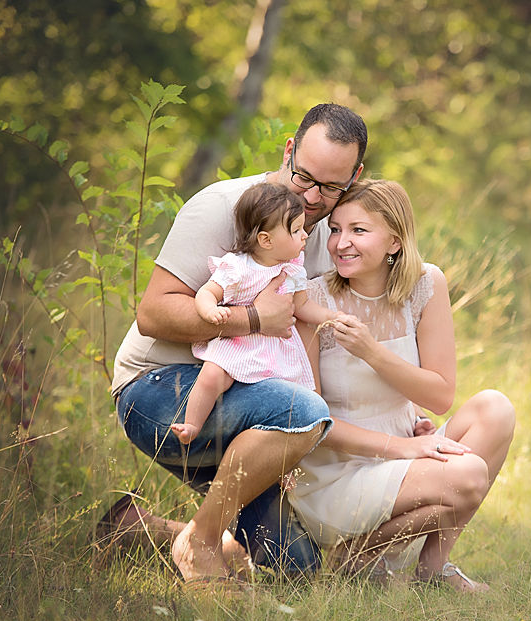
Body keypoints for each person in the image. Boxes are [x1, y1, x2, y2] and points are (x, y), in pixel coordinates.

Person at [104, 103, 367, 582]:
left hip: (250, 399)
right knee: (298, 411)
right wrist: (250, 319)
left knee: (297, 569)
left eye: (330, 187)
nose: (311, 197)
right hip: (159, 391)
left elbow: (314, 331)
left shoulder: (329, 233)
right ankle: (201, 546)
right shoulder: (223, 207)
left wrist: (390, 416)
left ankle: (138, 530)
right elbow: (152, 313)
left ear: (355, 176)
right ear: (289, 150)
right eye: (303, 176)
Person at [289, 179, 515, 593]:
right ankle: (354, 557)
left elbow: (440, 395)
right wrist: (405, 448)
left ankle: (434, 569)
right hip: (339, 473)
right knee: (467, 475)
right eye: (335, 229)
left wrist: (373, 354)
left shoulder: (425, 285)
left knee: (495, 408)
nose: (341, 243)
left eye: (359, 230)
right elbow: (313, 426)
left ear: (394, 241)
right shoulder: (313, 301)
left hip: (405, 448)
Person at [170, 182, 345, 445]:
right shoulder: (238, 268)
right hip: (238, 344)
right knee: (212, 375)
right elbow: (207, 293)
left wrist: (332, 317)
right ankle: (192, 424)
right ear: (266, 240)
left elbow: (303, 305)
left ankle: (287, 455)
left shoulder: (293, 270)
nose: (305, 235)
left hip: (277, 351)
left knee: (292, 397)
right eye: (296, 230)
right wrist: (209, 311)